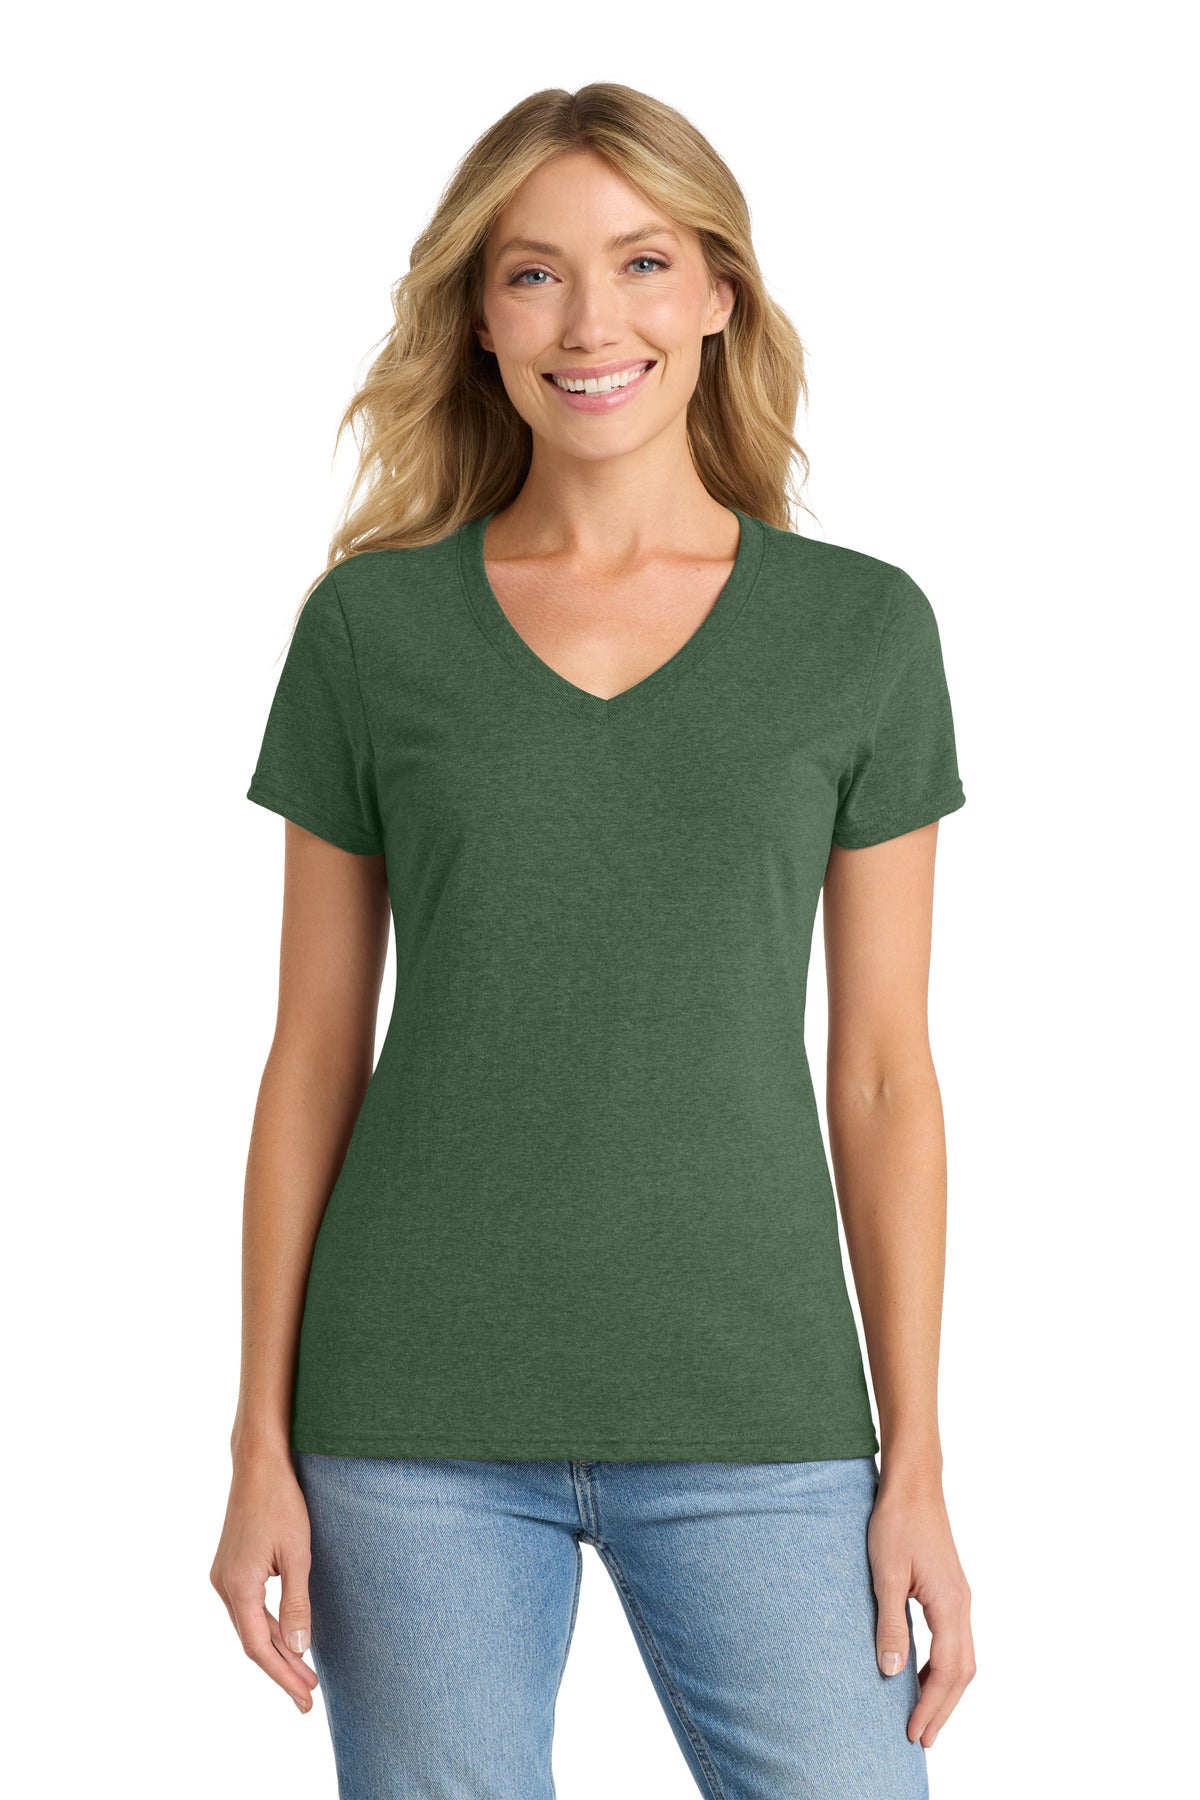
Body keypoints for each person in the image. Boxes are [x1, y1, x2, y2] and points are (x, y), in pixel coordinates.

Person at [210, 82, 977, 1799]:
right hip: (408, 1412)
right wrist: (258, 1436)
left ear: (718, 294)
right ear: (480, 318)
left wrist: (916, 1455)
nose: (589, 321)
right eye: (534, 273)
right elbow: (312, 1057)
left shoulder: (860, 631)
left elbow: (881, 1076)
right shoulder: (373, 630)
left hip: (758, 1403)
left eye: (640, 262)